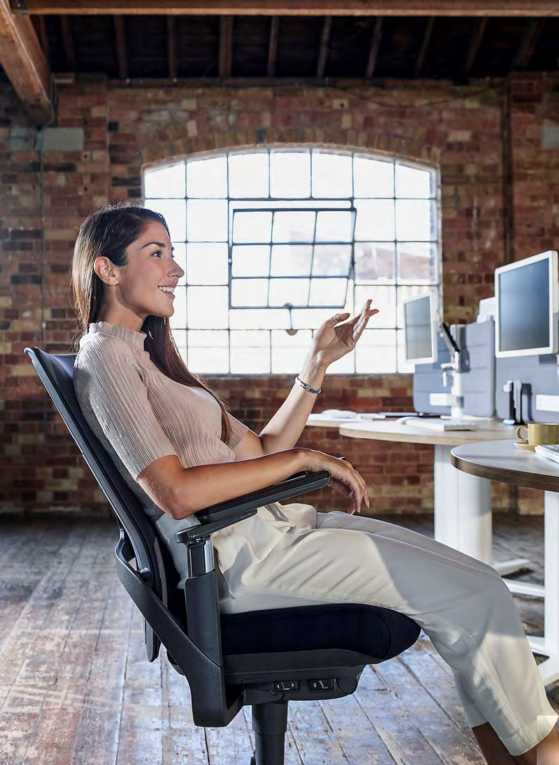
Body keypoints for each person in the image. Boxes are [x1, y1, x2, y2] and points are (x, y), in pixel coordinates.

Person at [71, 203, 559, 765]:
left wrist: (316, 366)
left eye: (173, 254)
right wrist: (307, 459)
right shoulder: (106, 357)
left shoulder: (150, 360)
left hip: (270, 536)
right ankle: (540, 754)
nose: (175, 269)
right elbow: (176, 492)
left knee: (476, 585)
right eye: (156, 254)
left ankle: (525, 754)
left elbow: (262, 452)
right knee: (478, 594)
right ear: (107, 269)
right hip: (240, 558)